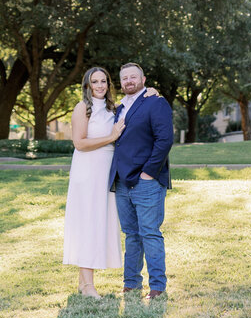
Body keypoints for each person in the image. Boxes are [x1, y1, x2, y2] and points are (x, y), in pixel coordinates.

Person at [109, 62, 175, 300]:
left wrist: (149, 172)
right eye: (124, 78)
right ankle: (131, 283)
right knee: (131, 234)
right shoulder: (119, 108)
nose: (129, 81)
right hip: (122, 181)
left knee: (149, 232)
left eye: (133, 77)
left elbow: (164, 140)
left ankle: (157, 286)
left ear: (143, 80)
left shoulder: (155, 102)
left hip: (146, 181)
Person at [62, 67, 125, 298]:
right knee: (88, 221)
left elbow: (137, 100)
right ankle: (88, 286)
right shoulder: (82, 108)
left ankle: (82, 281)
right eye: (94, 82)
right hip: (87, 170)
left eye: (103, 81)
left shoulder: (114, 109)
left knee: (99, 221)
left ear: (108, 84)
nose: (99, 86)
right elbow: (79, 143)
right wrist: (111, 137)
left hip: (106, 171)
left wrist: (153, 91)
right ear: (87, 86)